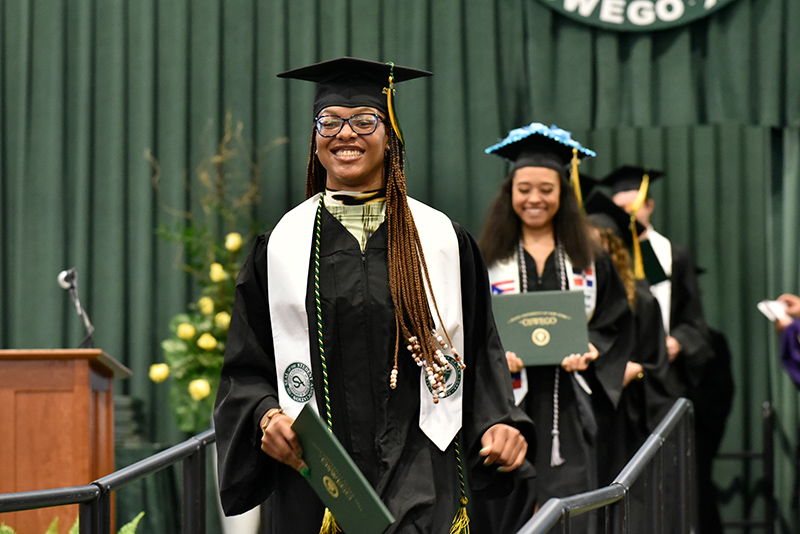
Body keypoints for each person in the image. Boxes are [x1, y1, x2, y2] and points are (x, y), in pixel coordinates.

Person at [212, 57, 535, 534]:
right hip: (320, 478)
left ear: (391, 135)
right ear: (314, 137)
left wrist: (500, 422)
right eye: (330, 121)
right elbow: (247, 365)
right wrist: (265, 417)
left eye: (365, 121)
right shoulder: (281, 247)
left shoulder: (441, 239)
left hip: (423, 465)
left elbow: (482, 349)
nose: (346, 134)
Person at [478, 123, 633, 532]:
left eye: (546, 189)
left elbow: (614, 322)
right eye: (524, 188)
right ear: (509, 193)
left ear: (562, 195)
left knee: (573, 511)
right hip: (508, 407)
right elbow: (469, 326)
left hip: (571, 407)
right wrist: (494, 356)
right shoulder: (487, 257)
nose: (534, 199)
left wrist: (594, 348)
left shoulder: (590, 257)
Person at [604, 165, 715, 533]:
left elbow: (693, 322)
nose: (630, 216)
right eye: (622, 209)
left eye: (635, 207)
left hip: (659, 383)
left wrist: (677, 342)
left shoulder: (669, 254)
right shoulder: (602, 253)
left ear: (649, 205)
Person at [583, 190, 673, 485]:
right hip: (585, 409)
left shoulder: (643, 301)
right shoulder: (576, 299)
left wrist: (638, 372)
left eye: (600, 245)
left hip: (628, 415)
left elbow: (657, 364)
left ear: (616, 249)